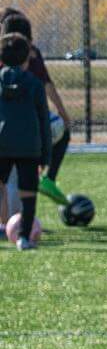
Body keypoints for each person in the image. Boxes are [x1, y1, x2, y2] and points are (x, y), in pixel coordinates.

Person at [0, 8, 72, 215]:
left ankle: (10, 225)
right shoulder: (32, 65)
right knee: (19, 178)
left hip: (6, 131)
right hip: (27, 134)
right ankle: (20, 224)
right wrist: (65, 117)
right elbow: (46, 88)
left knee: (9, 179)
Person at [0, 33, 44, 248]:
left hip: (2, 143)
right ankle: (24, 237)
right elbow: (43, 120)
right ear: (27, 59)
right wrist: (46, 155)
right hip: (29, 146)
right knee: (28, 193)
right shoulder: (35, 84)